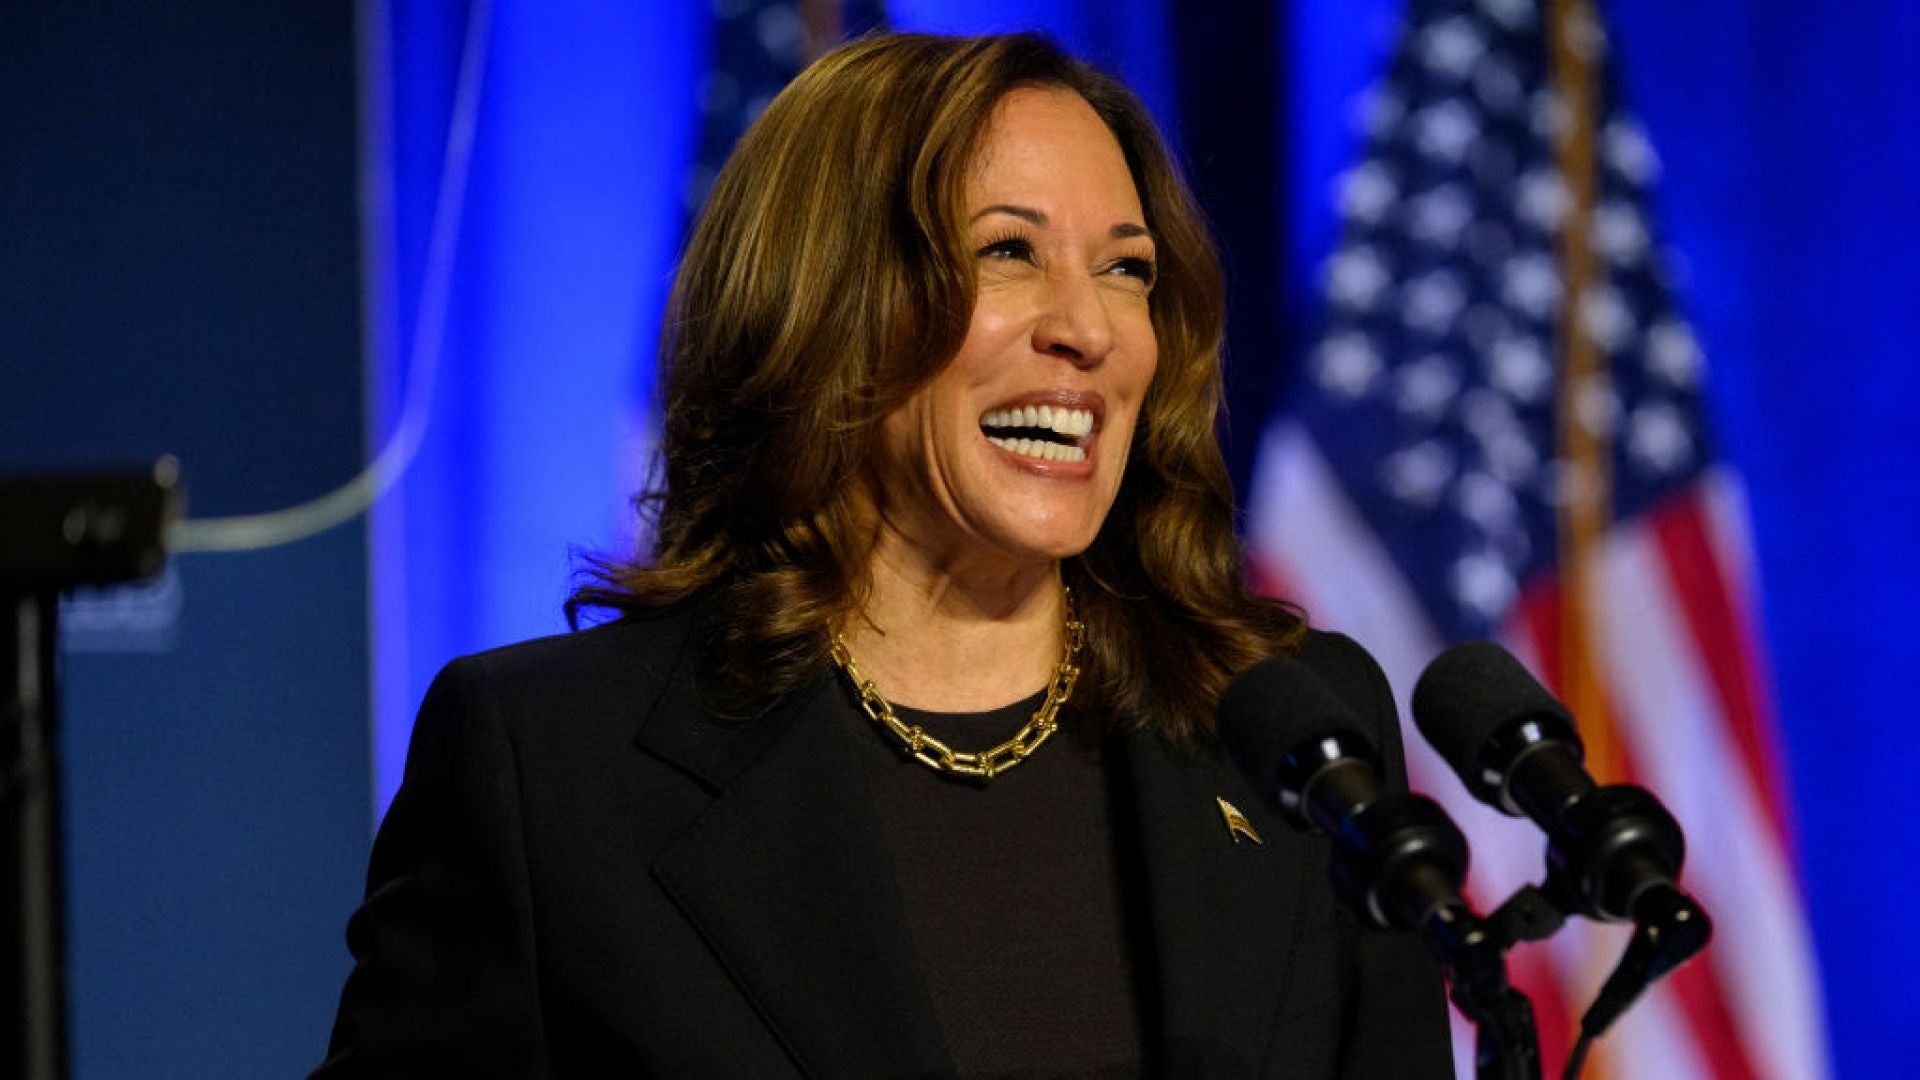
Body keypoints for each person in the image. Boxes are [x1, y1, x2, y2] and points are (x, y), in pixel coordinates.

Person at [314, 31, 1452, 1079]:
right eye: (1008, 252)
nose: (1089, 330)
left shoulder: (1295, 738)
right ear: (824, 303)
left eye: (1127, 269)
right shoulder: (553, 770)